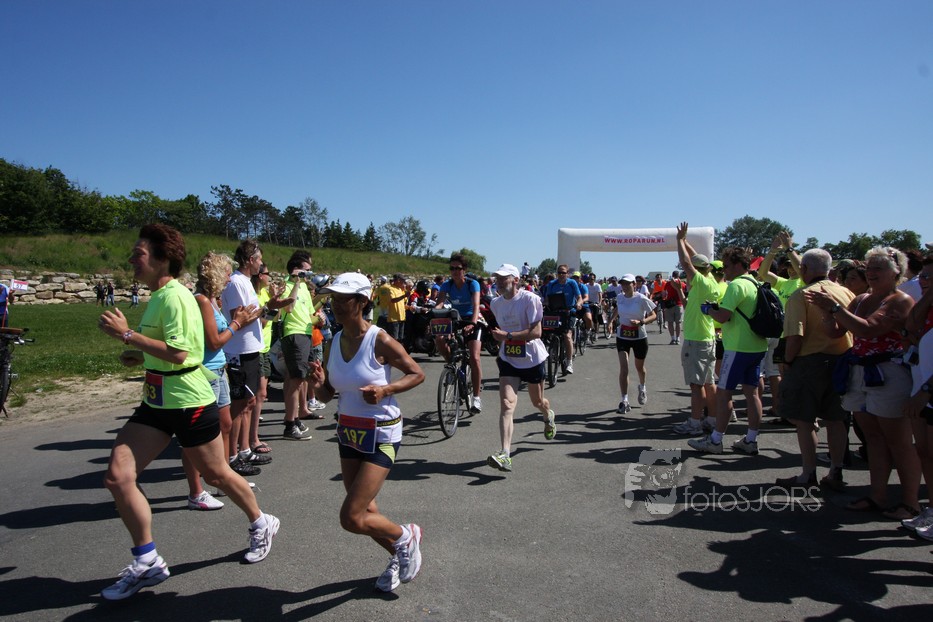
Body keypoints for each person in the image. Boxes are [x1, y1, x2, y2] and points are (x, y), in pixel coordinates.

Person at [97, 224, 278, 600]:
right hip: (156, 401)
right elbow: (177, 347)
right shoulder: (159, 296)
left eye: (139, 253)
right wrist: (141, 355)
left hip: (189, 401)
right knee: (118, 477)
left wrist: (128, 335)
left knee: (216, 474)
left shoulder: (176, 297)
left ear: (162, 259)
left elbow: (181, 354)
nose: (131, 259)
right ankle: (147, 560)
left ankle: (262, 521)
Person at [307, 272, 425, 592]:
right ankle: (399, 552)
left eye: (343, 299)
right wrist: (318, 383)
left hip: (382, 432)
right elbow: (327, 395)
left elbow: (416, 373)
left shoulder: (379, 339)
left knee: (352, 516)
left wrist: (385, 390)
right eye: (333, 299)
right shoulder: (333, 342)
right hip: (348, 432)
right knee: (367, 510)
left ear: (362, 302)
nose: (335, 305)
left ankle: (405, 536)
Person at [806, 247, 919, 519]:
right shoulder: (861, 299)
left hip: (888, 374)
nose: (871, 272)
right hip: (861, 373)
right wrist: (827, 312)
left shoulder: (899, 300)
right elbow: (835, 332)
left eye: (878, 268)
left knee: (899, 442)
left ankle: (910, 502)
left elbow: (867, 329)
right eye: (869, 267)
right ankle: (877, 496)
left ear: (896, 272)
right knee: (873, 439)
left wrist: (834, 307)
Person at [773, 249, 854, 490]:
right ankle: (836, 469)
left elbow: (795, 336)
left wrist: (787, 362)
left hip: (809, 362)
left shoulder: (802, 295)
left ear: (805, 269)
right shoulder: (846, 292)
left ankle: (808, 473)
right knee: (836, 419)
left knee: (804, 420)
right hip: (842, 361)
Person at [190, 251, 265, 489]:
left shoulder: (214, 300)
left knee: (225, 423)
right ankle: (204, 482)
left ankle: (225, 473)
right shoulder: (202, 300)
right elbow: (213, 342)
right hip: (208, 370)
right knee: (204, 429)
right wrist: (236, 323)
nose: (229, 278)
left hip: (219, 368)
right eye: (225, 273)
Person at [689, 247, 769, 455]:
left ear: (738, 265)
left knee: (724, 394)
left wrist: (708, 309)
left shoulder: (737, 285)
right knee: (752, 394)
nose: (723, 270)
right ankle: (751, 439)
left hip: (738, 347)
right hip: (757, 345)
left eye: (726, 266)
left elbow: (723, 316)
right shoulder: (755, 282)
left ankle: (716, 441)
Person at [486, 264, 557, 472]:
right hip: (509, 359)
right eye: (497, 278)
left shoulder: (530, 299)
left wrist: (508, 336)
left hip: (532, 359)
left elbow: (536, 332)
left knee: (538, 402)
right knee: (507, 404)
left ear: (516, 280)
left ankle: (548, 415)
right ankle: (505, 454)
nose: (499, 282)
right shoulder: (496, 304)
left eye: (504, 278)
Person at [221, 240, 274, 460]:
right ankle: (232, 455)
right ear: (250, 260)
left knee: (249, 401)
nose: (261, 264)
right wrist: (267, 308)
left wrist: (268, 308)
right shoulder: (236, 283)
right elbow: (238, 318)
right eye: (259, 259)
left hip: (251, 348)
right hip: (239, 351)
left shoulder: (246, 282)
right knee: (240, 404)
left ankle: (244, 449)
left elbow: (254, 316)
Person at [672, 222, 720, 436]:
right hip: (707, 337)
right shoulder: (710, 280)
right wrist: (685, 241)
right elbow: (696, 258)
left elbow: (686, 262)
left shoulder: (700, 282)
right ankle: (712, 419)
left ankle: (694, 422)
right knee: (709, 382)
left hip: (697, 339)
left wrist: (678, 241)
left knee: (696, 385)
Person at [279, 250, 323, 439]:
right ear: (296, 270)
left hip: (305, 333)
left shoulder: (305, 287)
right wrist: (296, 282)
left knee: (298, 378)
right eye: (306, 270)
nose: (309, 274)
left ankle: (295, 417)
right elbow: (288, 308)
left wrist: (319, 318)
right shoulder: (287, 286)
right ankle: (290, 424)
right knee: (295, 380)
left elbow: (309, 313)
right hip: (294, 333)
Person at [436, 253, 483, 412]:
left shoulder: (472, 284)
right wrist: (433, 316)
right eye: (452, 268)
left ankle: (476, 398)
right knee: (439, 339)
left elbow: (476, 305)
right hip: (455, 318)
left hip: (472, 318)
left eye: (458, 268)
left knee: (474, 358)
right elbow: (439, 304)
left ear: (464, 270)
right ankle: (451, 366)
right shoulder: (447, 285)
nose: (455, 271)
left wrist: (473, 323)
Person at [609, 274, 657, 414]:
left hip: (639, 337)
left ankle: (642, 387)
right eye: (622, 283)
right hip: (622, 336)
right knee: (624, 368)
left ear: (634, 284)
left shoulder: (641, 298)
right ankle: (624, 400)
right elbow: (617, 309)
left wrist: (641, 322)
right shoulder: (620, 297)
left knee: (639, 367)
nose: (624, 286)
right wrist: (611, 321)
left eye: (627, 283)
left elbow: (653, 315)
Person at [541, 264, 584, 375]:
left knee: (567, 336)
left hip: (569, 312)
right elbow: (547, 299)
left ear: (567, 274)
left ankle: (569, 362)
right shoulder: (552, 284)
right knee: (545, 333)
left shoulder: (572, 283)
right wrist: (542, 304)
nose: (561, 275)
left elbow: (579, 297)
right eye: (559, 272)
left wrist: (579, 303)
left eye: (563, 273)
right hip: (555, 313)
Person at [663, 271, 685, 344]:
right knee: (678, 323)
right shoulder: (682, 284)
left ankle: (673, 338)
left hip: (670, 305)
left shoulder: (668, 283)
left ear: (672, 275)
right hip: (679, 304)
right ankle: (678, 338)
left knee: (670, 323)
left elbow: (664, 294)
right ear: (679, 276)